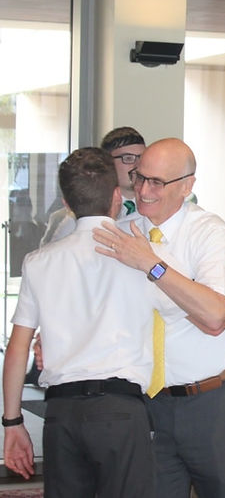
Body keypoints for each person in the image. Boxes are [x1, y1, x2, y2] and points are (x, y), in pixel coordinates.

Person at [93, 137, 225, 498]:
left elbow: (214, 315)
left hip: (213, 401)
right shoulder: (123, 233)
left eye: (157, 182)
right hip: (148, 403)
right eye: (139, 178)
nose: (143, 191)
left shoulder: (208, 231)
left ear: (187, 186)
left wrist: (151, 265)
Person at [2, 148, 155, 496]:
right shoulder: (142, 255)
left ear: (67, 205)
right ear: (117, 197)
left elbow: (17, 348)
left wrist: (13, 422)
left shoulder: (39, 261)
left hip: (62, 413)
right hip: (121, 410)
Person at [40, 126, 145, 245]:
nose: (138, 165)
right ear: (107, 162)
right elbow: (53, 257)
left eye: (142, 157)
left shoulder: (155, 208)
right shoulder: (76, 216)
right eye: (128, 158)